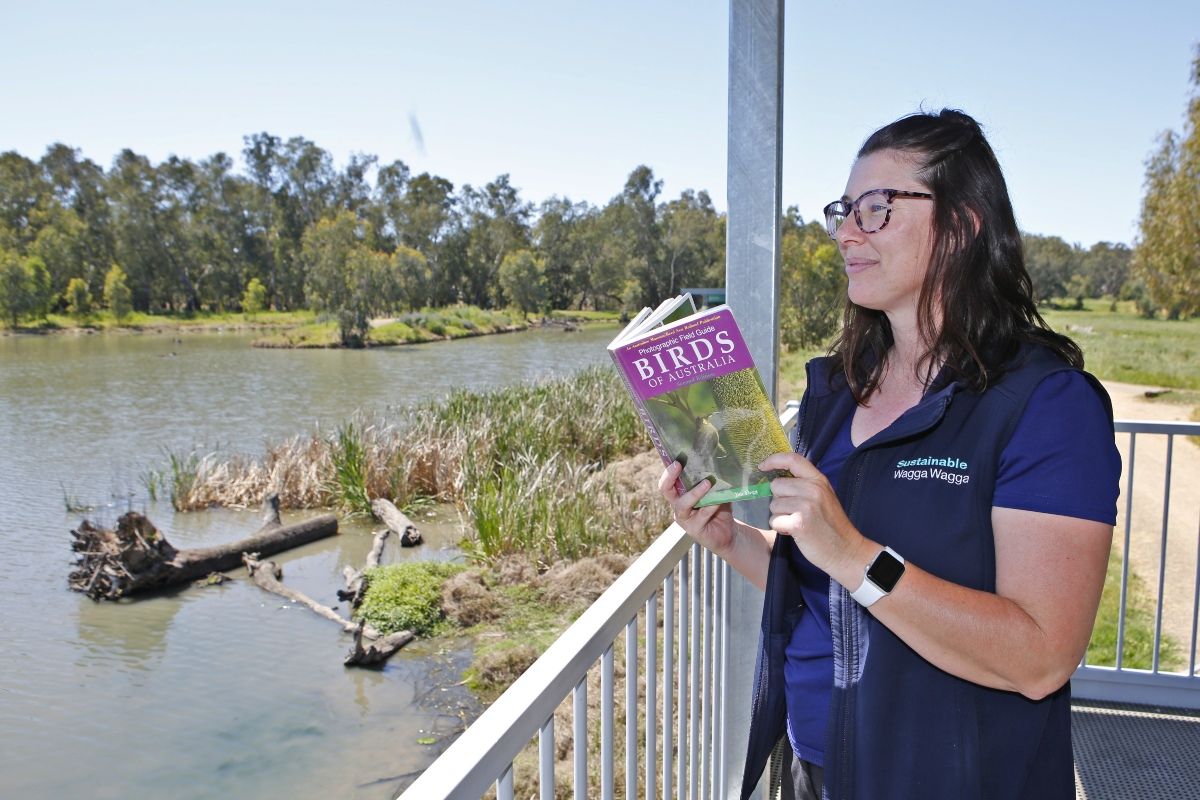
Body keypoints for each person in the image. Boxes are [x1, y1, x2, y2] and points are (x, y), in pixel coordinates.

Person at [659, 109, 1121, 800]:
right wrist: (731, 542)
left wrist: (851, 552)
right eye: (844, 210)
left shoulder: (1047, 406)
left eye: (877, 209)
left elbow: (1041, 658)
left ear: (962, 228)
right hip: (818, 767)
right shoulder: (837, 392)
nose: (847, 232)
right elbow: (835, 596)